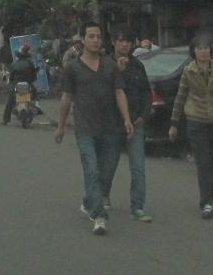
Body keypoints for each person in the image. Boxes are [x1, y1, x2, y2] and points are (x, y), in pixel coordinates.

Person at [54, 21, 133, 236]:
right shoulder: (72, 68)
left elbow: (119, 92)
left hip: (110, 128)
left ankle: (89, 200)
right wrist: (60, 127)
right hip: (85, 129)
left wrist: (126, 119)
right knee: (91, 170)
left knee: (106, 173)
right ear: (83, 40)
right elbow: (66, 98)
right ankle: (99, 216)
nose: (96, 40)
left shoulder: (110, 66)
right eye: (91, 36)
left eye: (98, 36)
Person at [168, 35, 213, 219]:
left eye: (206, 48)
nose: (203, 52)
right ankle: (205, 203)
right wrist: (174, 124)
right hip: (196, 120)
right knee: (203, 162)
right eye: (199, 48)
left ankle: (210, 200)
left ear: (210, 50)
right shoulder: (188, 71)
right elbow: (180, 97)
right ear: (194, 51)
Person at [102, 32, 153, 222]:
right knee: (109, 163)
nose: (124, 45)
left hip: (135, 123)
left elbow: (147, 93)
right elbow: (104, 91)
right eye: (121, 40)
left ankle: (137, 206)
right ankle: (103, 194)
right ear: (114, 42)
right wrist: (119, 71)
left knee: (138, 167)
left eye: (128, 41)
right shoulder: (105, 64)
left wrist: (143, 115)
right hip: (113, 123)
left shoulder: (138, 65)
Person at [1, 43, 38, 125]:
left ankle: (5, 120)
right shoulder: (30, 63)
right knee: (34, 95)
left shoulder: (14, 64)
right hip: (27, 85)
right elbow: (34, 77)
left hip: (16, 85)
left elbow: (11, 77)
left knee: (10, 102)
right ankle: (34, 108)